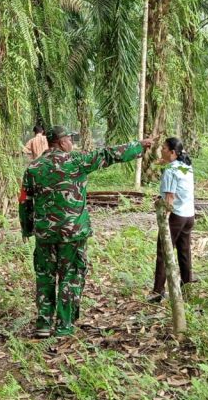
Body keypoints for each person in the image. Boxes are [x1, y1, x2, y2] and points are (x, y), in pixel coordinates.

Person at [19, 126, 154, 338]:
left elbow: (24, 201)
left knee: (45, 277)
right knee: (70, 276)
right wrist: (138, 146)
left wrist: (27, 229)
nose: (71, 143)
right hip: (73, 233)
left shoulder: (33, 168)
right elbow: (107, 154)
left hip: (45, 234)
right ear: (61, 142)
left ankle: (43, 324)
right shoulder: (76, 161)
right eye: (69, 139)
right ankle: (64, 326)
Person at [152, 136, 195, 302]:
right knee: (184, 253)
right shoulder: (186, 166)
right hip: (189, 215)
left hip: (176, 216)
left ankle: (157, 292)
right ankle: (187, 289)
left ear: (172, 152)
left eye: (163, 148)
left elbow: (170, 197)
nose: (160, 150)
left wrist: (165, 217)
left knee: (163, 252)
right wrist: (164, 161)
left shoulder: (170, 171)